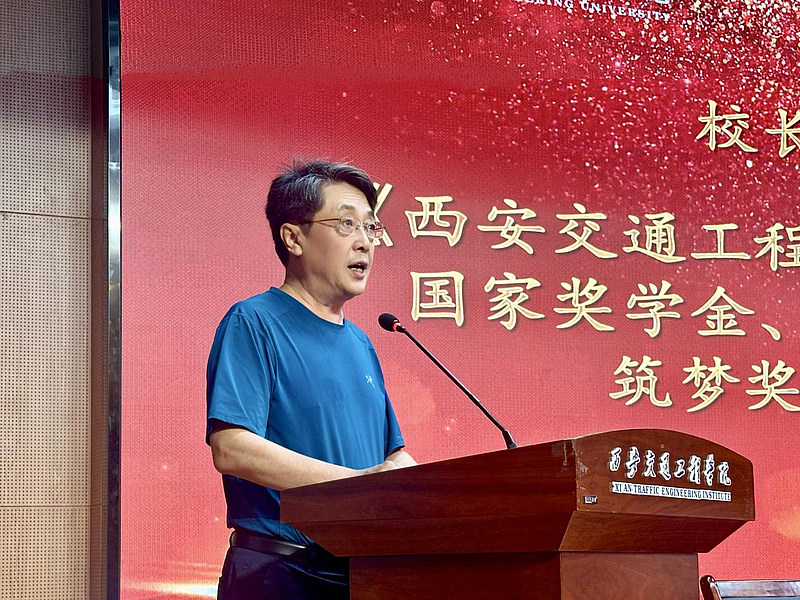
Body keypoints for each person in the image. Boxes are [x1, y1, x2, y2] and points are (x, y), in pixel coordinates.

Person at [206, 160, 415, 600]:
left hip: (360, 573)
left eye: (371, 227)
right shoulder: (254, 322)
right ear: (293, 238)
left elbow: (391, 455)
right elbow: (232, 448)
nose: (365, 242)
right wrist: (357, 486)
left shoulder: (361, 343)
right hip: (280, 572)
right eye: (346, 224)